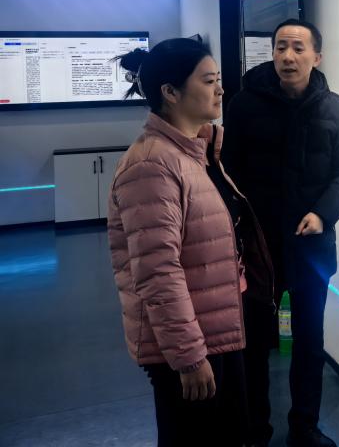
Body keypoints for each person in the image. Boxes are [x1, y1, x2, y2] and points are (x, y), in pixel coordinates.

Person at [107, 38, 274, 447]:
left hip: (217, 326)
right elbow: (157, 272)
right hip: (192, 344)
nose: (221, 89)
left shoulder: (196, 152)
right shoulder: (151, 165)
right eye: (209, 80)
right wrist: (189, 357)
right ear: (170, 92)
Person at [222, 19, 339, 447]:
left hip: (310, 246)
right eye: (281, 47)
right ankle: (255, 429)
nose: (288, 56)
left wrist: (323, 214)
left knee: (308, 341)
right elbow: (228, 171)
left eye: (298, 48)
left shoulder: (334, 108)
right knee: (253, 342)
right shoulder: (245, 104)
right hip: (258, 246)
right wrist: (240, 223)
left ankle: (305, 426)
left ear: (316, 57)